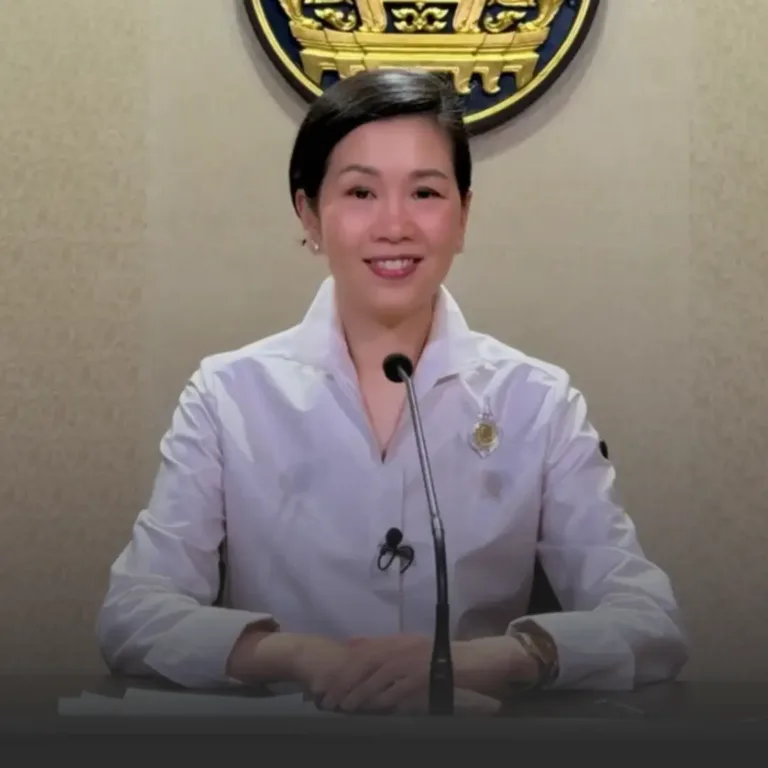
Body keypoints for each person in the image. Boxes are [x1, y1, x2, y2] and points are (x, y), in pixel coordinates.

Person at [96, 68, 688, 714]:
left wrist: (489, 661)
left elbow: (650, 620)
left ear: (463, 216)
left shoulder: (537, 403)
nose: (395, 225)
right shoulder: (227, 397)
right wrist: (301, 656)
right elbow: (133, 612)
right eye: (360, 192)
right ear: (310, 215)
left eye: (427, 193)